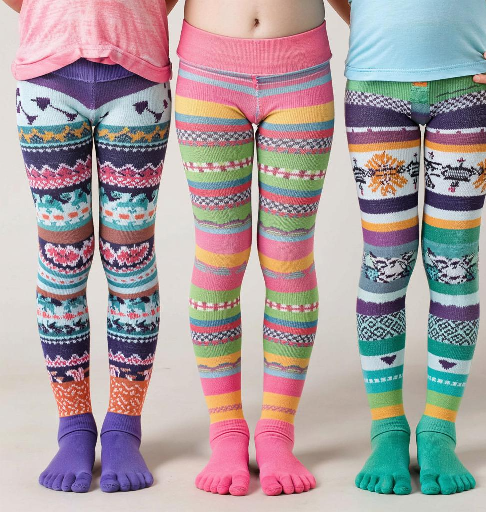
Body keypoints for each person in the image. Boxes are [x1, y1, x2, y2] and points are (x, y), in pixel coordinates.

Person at [331, 0, 486, 495]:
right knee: (385, 260)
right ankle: (387, 426)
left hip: (468, 86)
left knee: (455, 260)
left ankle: (438, 428)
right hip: (375, 85)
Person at [5, 0, 177, 493]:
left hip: (138, 73)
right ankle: (74, 425)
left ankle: (124, 425)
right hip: (48, 74)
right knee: (62, 260)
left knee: (131, 258)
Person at [175, 0, 338, 496]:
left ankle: (276, 430)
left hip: (301, 71)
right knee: (219, 255)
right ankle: (226, 429)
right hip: (208, 71)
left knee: (289, 256)